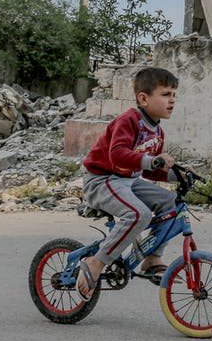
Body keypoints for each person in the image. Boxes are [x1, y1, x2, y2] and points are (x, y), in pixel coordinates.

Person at [76, 67, 180, 300]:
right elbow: (118, 155)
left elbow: (150, 170)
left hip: (128, 181)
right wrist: (154, 161)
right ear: (143, 98)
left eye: (174, 95)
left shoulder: (157, 131)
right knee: (138, 214)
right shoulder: (129, 120)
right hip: (102, 180)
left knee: (169, 201)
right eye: (165, 94)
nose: (172, 100)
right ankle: (97, 261)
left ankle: (152, 258)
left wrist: (177, 174)